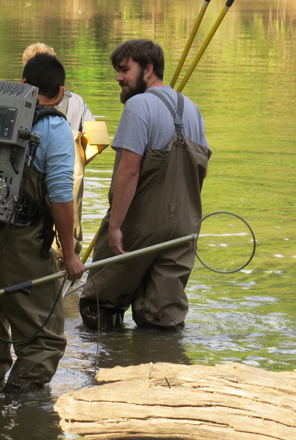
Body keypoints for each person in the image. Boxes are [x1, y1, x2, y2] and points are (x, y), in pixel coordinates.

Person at [0, 55, 85, 390]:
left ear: (23, 84)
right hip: (19, 238)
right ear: (59, 95)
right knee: (44, 340)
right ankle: (21, 412)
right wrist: (69, 255)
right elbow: (59, 194)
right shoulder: (55, 127)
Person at [78, 39, 211, 331]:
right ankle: (161, 369)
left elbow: (129, 171)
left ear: (148, 69)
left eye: (125, 70)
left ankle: (110, 370)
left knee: (98, 306)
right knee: (161, 317)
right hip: (183, 229)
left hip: (135, 226)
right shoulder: (193, 109)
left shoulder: (138, 106)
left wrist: (115, 227)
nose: (118, 78)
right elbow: (199, 170)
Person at [22, 43, 98, 256]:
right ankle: (67, 265)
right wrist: (78, 161)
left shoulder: (17, 103)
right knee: (68, 238)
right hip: (68, 178)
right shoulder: (76, 101)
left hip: (29, 185)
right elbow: (97, 139)